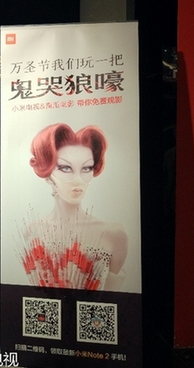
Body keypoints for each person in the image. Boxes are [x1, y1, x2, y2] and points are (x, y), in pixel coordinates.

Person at [19, 123, 128, 291]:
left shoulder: (114, 234)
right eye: (65, 168)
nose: (78, 179)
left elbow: (112, 299)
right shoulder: (31, 231)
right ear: (47, 173)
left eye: (86, 168)